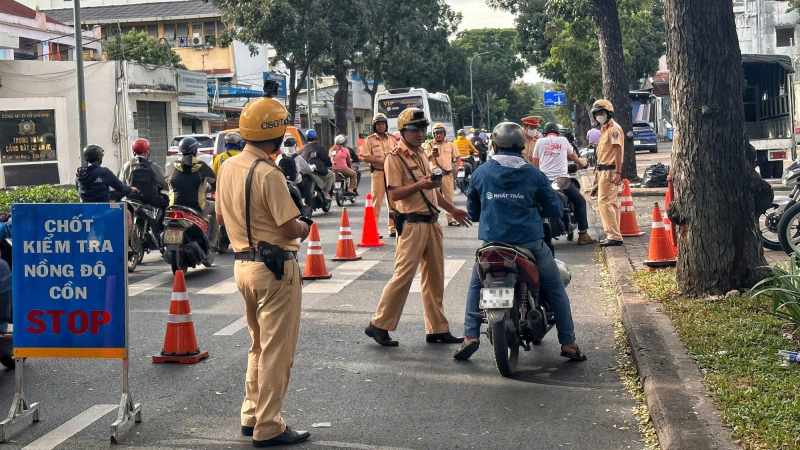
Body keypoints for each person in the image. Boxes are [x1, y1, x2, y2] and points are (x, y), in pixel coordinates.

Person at [215, 95, 312, 447]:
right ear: (275, 135)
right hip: (274, 270)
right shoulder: (269, 173)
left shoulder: (227, 166)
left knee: (257, 345)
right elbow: (289, 227)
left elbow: (222, 219)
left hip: (242, 267)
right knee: (276, 352)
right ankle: (269, 426)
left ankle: (252, 414)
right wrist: (304, 227)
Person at [454, 122, 587, 362]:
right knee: (555, 287)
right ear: (521, 146)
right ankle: (568, 342)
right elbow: (554, 208)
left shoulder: (481, 173)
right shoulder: (533, 174)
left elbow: (472, 212)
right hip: (530, 244)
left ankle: (470, 337)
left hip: (492, 245)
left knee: (476, 284)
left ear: (494, 145)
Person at [364, 107, 471, 347]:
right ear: (403, 131)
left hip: (432, 223)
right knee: (403, 277)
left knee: (435, 278)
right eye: (415, 130)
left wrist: (451, 209)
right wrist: (419, 185)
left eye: (423, 129)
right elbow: (394, 193)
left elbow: (432, 189)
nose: (420, 134)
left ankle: (437, 329)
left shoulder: (422, 154)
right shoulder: (395, 157)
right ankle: (378, 324)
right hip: (412, 224)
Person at [532, 123, 596, 245]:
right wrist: (582, 165)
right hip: (561, 181)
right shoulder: (563, 140)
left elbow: (535, 162)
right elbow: (573, 156)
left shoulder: (540, 142)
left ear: (545, 133)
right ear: (557, 132)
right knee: (580, 202)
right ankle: (583, 235)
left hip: (544, 182)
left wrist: (538, 176)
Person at [167, 137, 219, 247]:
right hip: (196, 206)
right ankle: (213, 242)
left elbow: (165, 180)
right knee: (216, 208)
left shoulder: (172, 167)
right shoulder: (201, 166)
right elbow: (214, 182)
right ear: (194, 150)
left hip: (175, 206)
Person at [118, 139, 168, 238]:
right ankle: (160, 233)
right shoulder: (153, 166)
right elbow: (164, 183)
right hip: (151, 200)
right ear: (147, 151)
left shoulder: (127, 165)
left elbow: (121, 183)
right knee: (166, 205)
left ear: (133, 151)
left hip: (132, 200)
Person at [591, 99, 624, 247]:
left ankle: (614, 236)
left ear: (608, 113)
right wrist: (597, 177)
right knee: (611, 203)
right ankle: (615, 234)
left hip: (610, 171)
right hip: (604, 171)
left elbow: (617, 152)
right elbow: (602, 155)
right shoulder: (605, 129)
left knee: (604, 202)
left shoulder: (613, 129)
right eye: (597, 113)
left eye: (602, 112)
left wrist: (618, 171)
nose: (599, 115)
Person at [361, 114, 398, 237]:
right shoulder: (370, 140)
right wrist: (381, 161)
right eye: (378, 124)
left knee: (393, 201)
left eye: (382, 124)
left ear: (386, 125)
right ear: (374, 126)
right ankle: (373, 230)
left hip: (392, 173)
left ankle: (393, 227)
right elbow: (364, 157)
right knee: (376, 202)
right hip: (378, 173)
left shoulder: (392, 138)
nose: (381, 126)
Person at [425, 123, 459, 226]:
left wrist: (456, 167)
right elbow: (424, 160)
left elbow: (457, 157)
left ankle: (451, 219)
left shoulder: (450, 144)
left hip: (447, 175)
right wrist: (431, 154)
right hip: (434, 176)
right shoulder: (429, 145)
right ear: (433, 134)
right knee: (433, 198)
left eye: (440, 133)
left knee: (449, 198)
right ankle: (432, 219)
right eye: (436, 133)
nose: (438, 135)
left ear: (444, 134)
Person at [301, 130, 335, 200]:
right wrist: (328, 164)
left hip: (305, 171)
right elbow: (326, 159)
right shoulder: (319, 148)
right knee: (331, 174)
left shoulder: (303, 148)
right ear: (316, 137)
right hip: (317, 171)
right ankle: (326, 193)